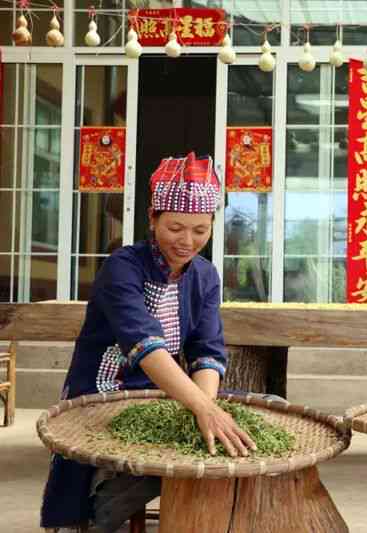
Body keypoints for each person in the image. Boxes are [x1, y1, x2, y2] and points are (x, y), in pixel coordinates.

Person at [41, 153, 257, 532]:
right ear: (152, 218)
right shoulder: (122, 266)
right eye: (175, 227)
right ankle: (100, 505)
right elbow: (144, 345)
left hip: (164, 389)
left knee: (230, 432)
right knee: (186, 437)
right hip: (104, 387)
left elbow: (207, 350)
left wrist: (204, 408)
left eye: (200, 230)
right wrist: (202, 409)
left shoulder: (205, 276)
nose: (187, 241)